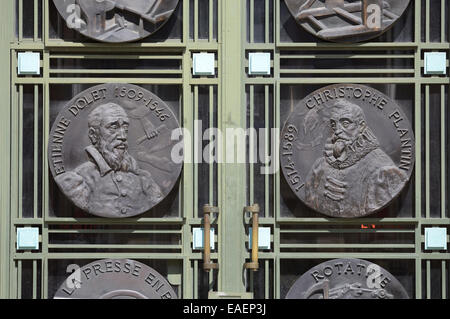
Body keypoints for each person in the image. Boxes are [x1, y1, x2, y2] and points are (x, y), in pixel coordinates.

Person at [56, 102, 163, 217]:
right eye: (113, 127)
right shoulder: (77, 180)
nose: (123, 136)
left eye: (125, 129)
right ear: (93, 135)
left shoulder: (143, 178)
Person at [304, 99, 406, 217]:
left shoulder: (382, 169)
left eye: (345, 123)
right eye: (333, 124)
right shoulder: (320, 165)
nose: (337, 130)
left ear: (361, 126)